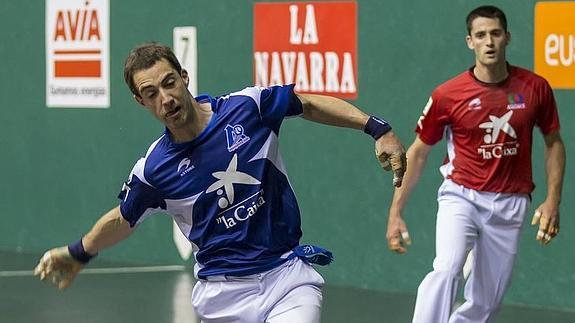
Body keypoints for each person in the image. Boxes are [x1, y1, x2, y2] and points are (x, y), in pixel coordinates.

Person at [34, 42, 407, 322]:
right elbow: (123, 219)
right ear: (140, 101)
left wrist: (377, 129)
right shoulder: (153, 170)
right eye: (151, 94)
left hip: (287, 279)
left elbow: (306, 104)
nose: (166, 98)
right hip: (222, 296)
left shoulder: (247, 107)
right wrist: (78, 252)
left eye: (169, 83)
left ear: (184, 77)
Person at [386, 5, 566, 323]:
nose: (489, 42)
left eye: (495, 33)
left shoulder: (535, 88)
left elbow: (554, 143)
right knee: (447, 268)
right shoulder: (448, 95)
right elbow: (418, 152)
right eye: (481, 35)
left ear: (507, 37)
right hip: (462, 196)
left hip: (512, 203)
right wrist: (396, 210)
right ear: (470, 41)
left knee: (487, 301)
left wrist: (553, 201)